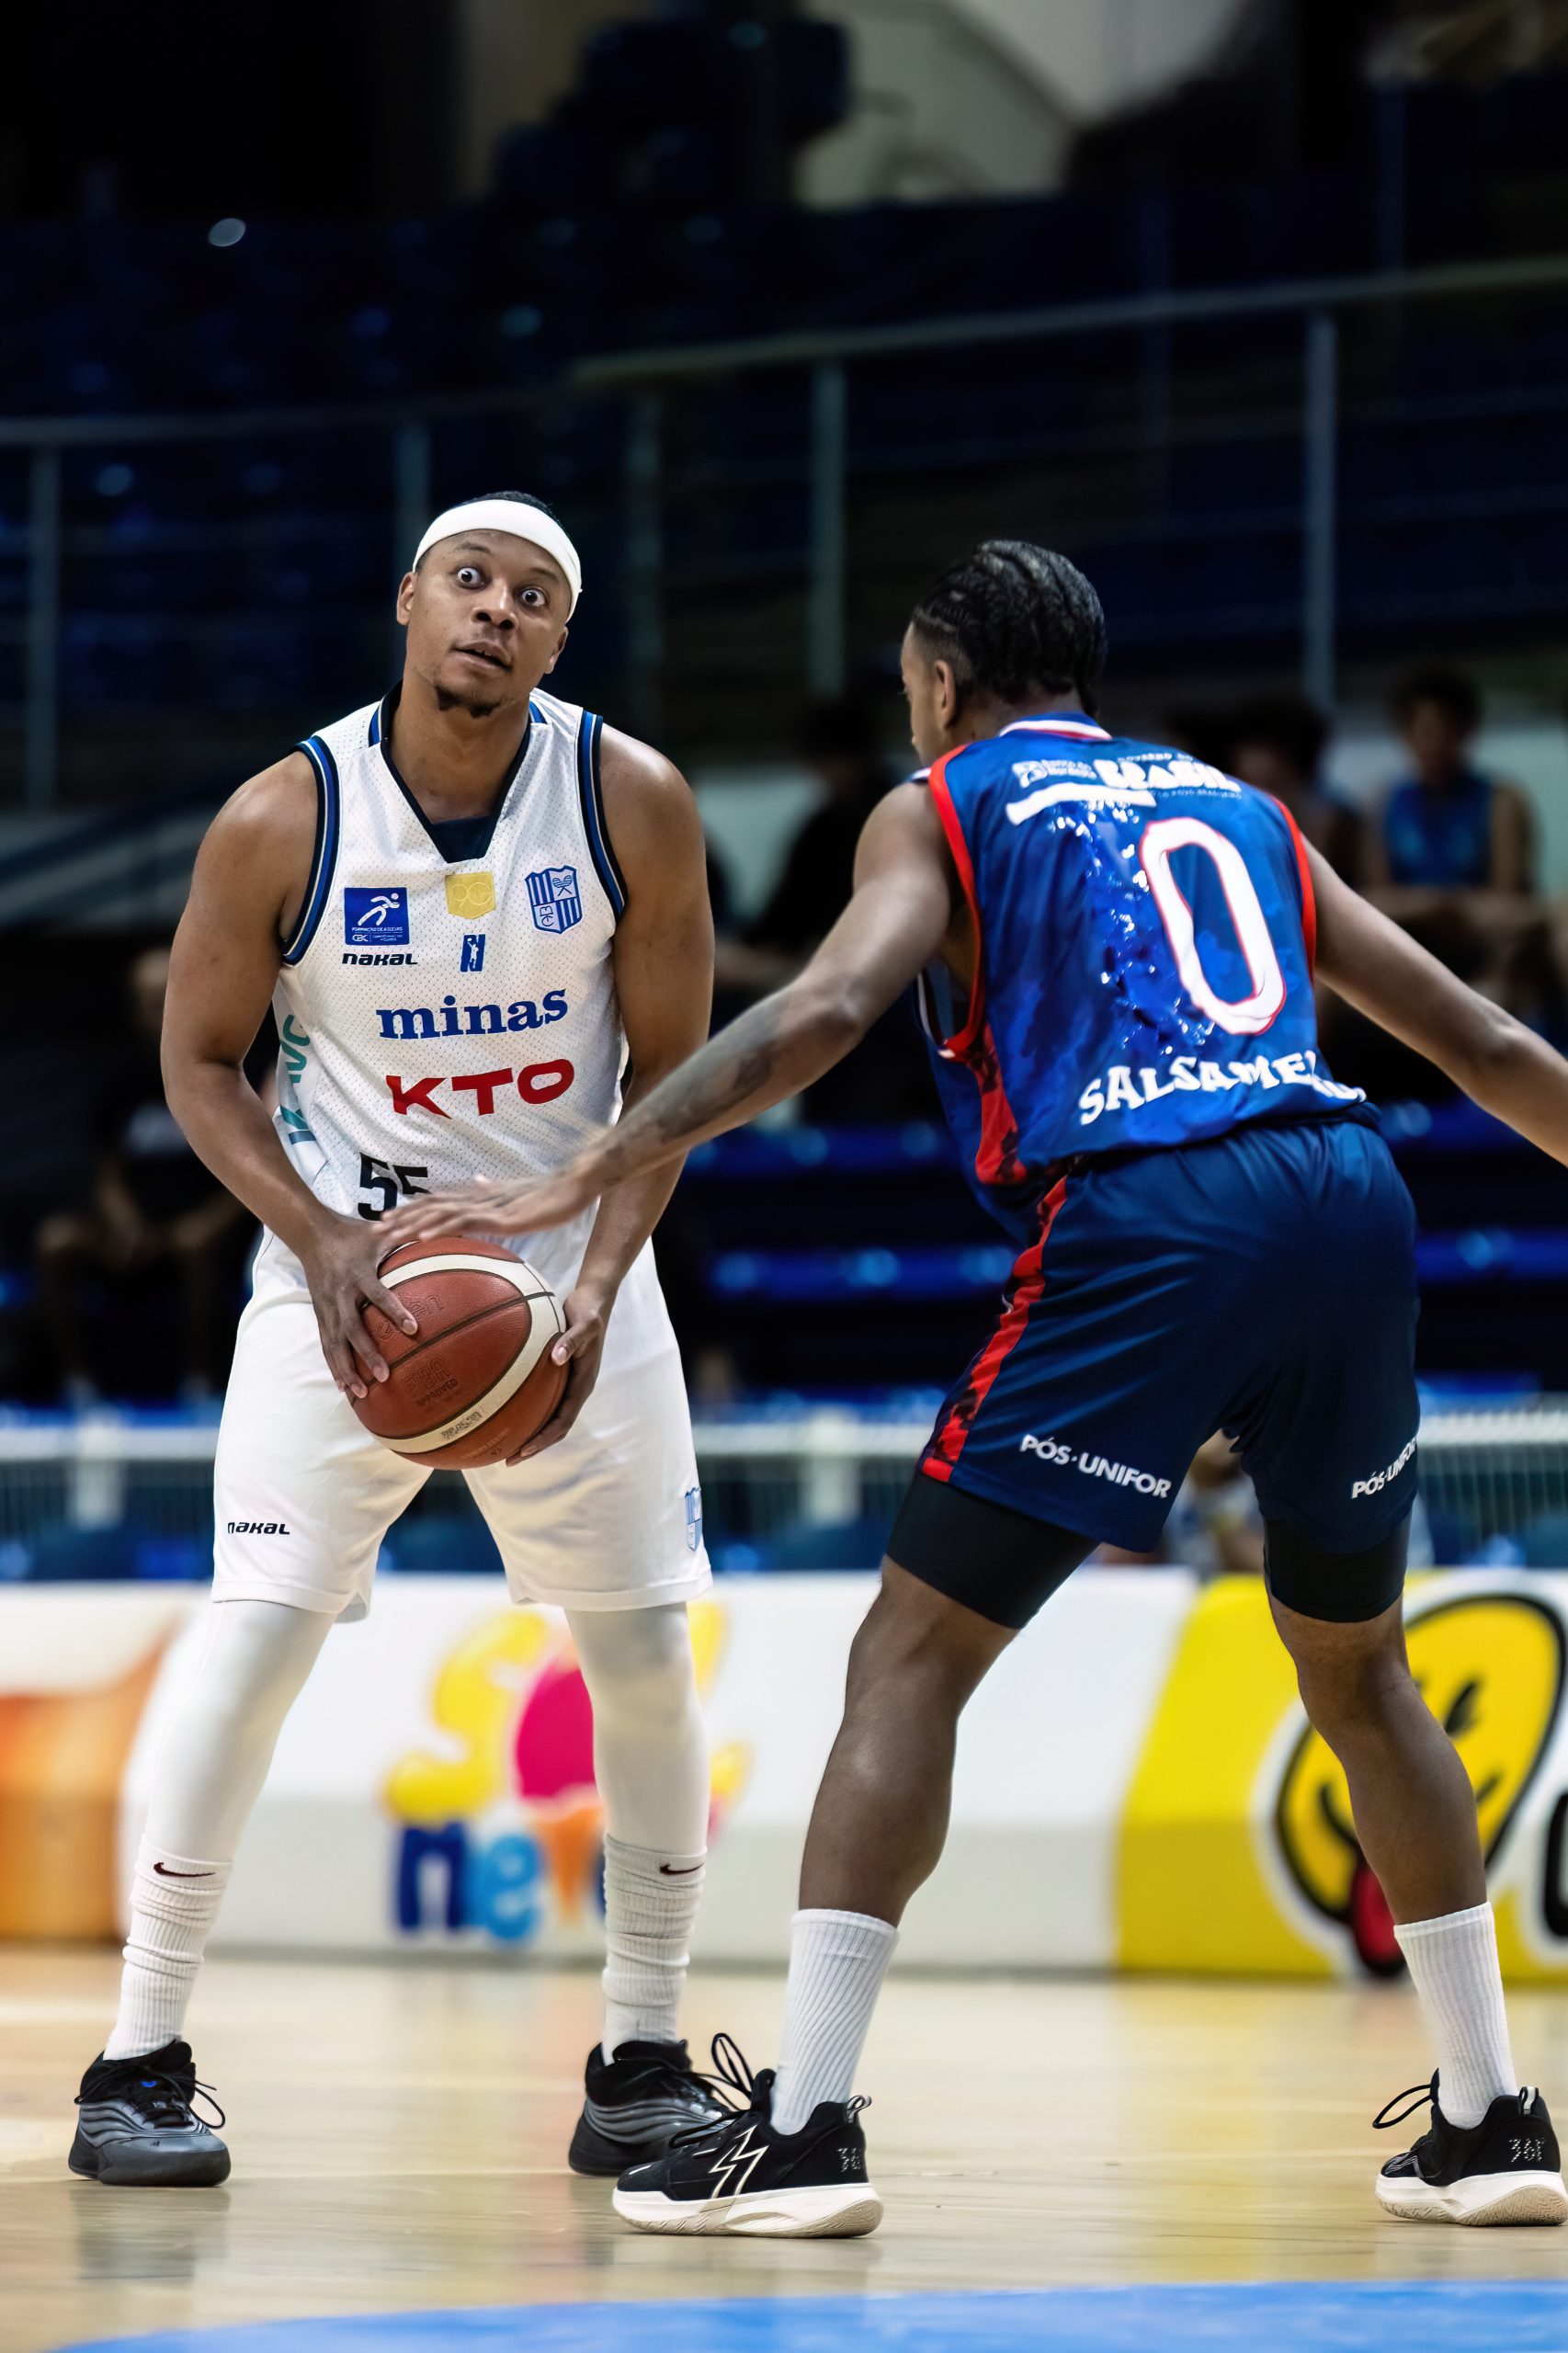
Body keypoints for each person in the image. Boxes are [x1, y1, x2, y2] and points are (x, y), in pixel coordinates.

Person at [392, 540, 1568, 2240]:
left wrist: (603, 1155)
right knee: (1362, 1671)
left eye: (907, 686)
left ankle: (803, 2129)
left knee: (911, 1656)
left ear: (941, 683)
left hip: (1155, 1210)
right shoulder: (1240, 806)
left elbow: (832, 1004)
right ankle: (1487, 2114)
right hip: (1347, 1193)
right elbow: (1488, 1047)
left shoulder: (939, 803)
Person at [68, 494, 731, 2188]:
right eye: (469, 581)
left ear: (559, 639)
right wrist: (318, 1242)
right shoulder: (283, 818)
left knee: (646, 1654)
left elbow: (676, 1080)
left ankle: (642, 2056)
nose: (496, 611)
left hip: (563, 1261)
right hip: (343, 1268)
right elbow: (199, 1062)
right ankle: (137, 2059)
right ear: (407, 602)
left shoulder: (631, 800)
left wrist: (600, 1280)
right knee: (253, 1634)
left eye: (533, 595)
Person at [35, 945, 249, 1405]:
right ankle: (77, 1386)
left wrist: (206, 1227)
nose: (159, 1013)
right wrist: (125, 1221)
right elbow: (106, 1171)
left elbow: (255, 1171)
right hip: (133, 1233)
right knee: (56, 1241)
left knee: (196, 1250)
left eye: (166, 998)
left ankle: (200, 1385)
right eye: (148, 1002)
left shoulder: (224, 1072)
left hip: (200, 1233)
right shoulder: (122, 1081)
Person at [1228, 690, 1366, 886]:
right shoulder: (1228, 820)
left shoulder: (1335, 820)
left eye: (1270, 784)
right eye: (1246, 783)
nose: (1255, 799)